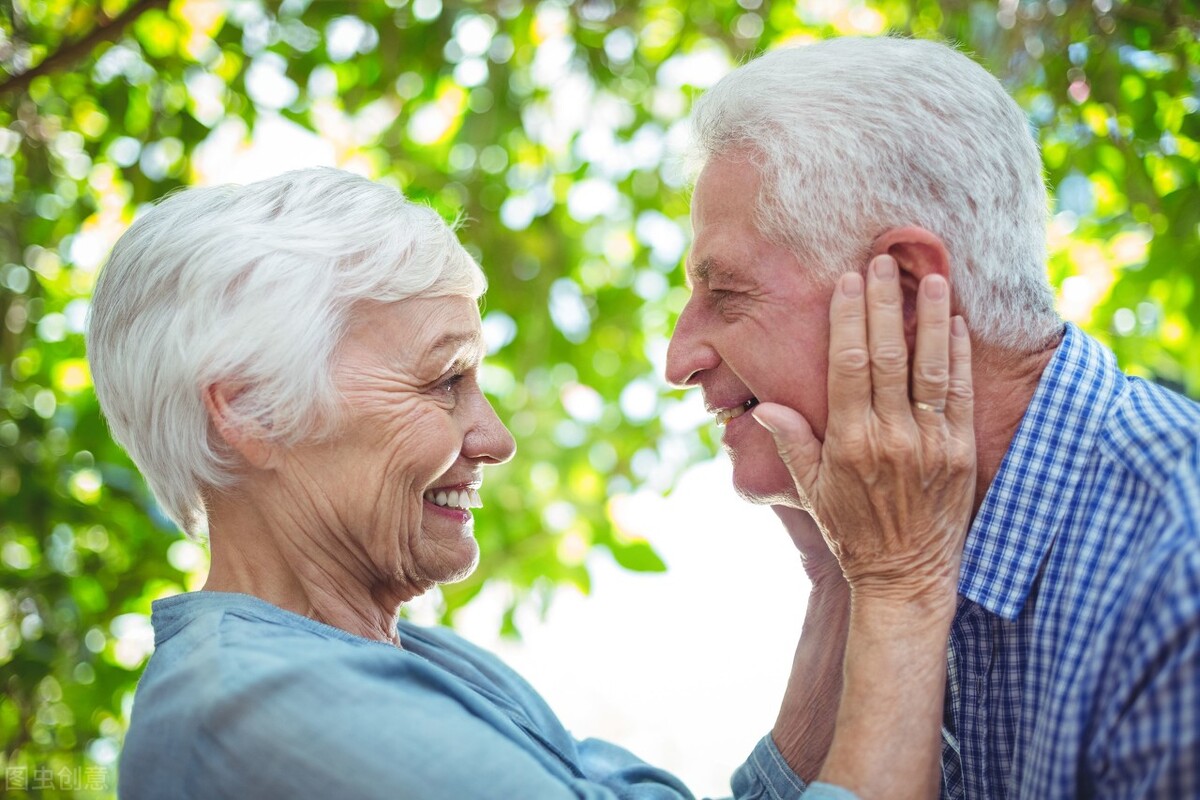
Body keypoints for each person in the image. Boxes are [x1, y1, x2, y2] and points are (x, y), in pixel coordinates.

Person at [89, 167, 975, 800]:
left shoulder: (424, 663)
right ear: (250, 413)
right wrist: (904, 582)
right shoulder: (253, 710)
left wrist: (841, 583)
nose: (495, 437)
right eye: (443, 383)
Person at [666, 35, 1200, 799]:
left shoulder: (1179, 571)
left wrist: (889, 581)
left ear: (908, 292)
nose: (679, 358)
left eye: (727, 295)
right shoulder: (910, 533)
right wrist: (850, 587)